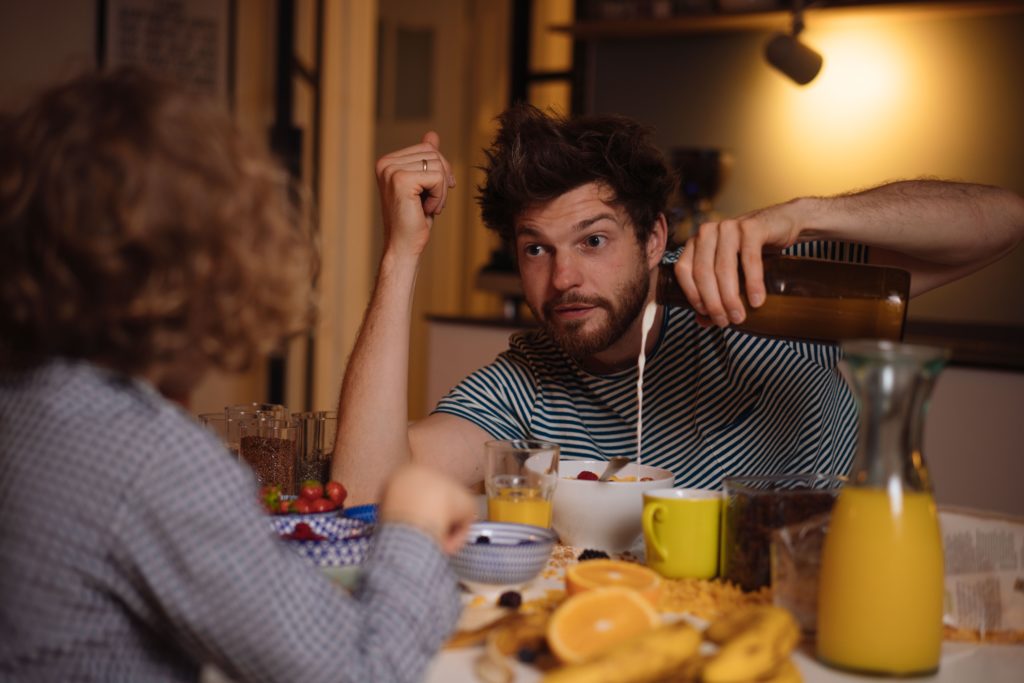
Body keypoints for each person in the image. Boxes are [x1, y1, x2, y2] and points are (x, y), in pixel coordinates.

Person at [0, 69, 476, 682]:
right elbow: (364, 673)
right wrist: (410, 526)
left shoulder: (22, 405)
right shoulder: (152, 459)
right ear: (208, 264)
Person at [333, 103, 1024, 503]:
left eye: (594, 239)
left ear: (654, 235)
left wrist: (808, 215)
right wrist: (401, 255)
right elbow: (364, 495)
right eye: (536, 248)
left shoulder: (756, 292)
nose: (564, 277)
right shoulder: (527, 383)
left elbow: (1002, 221)